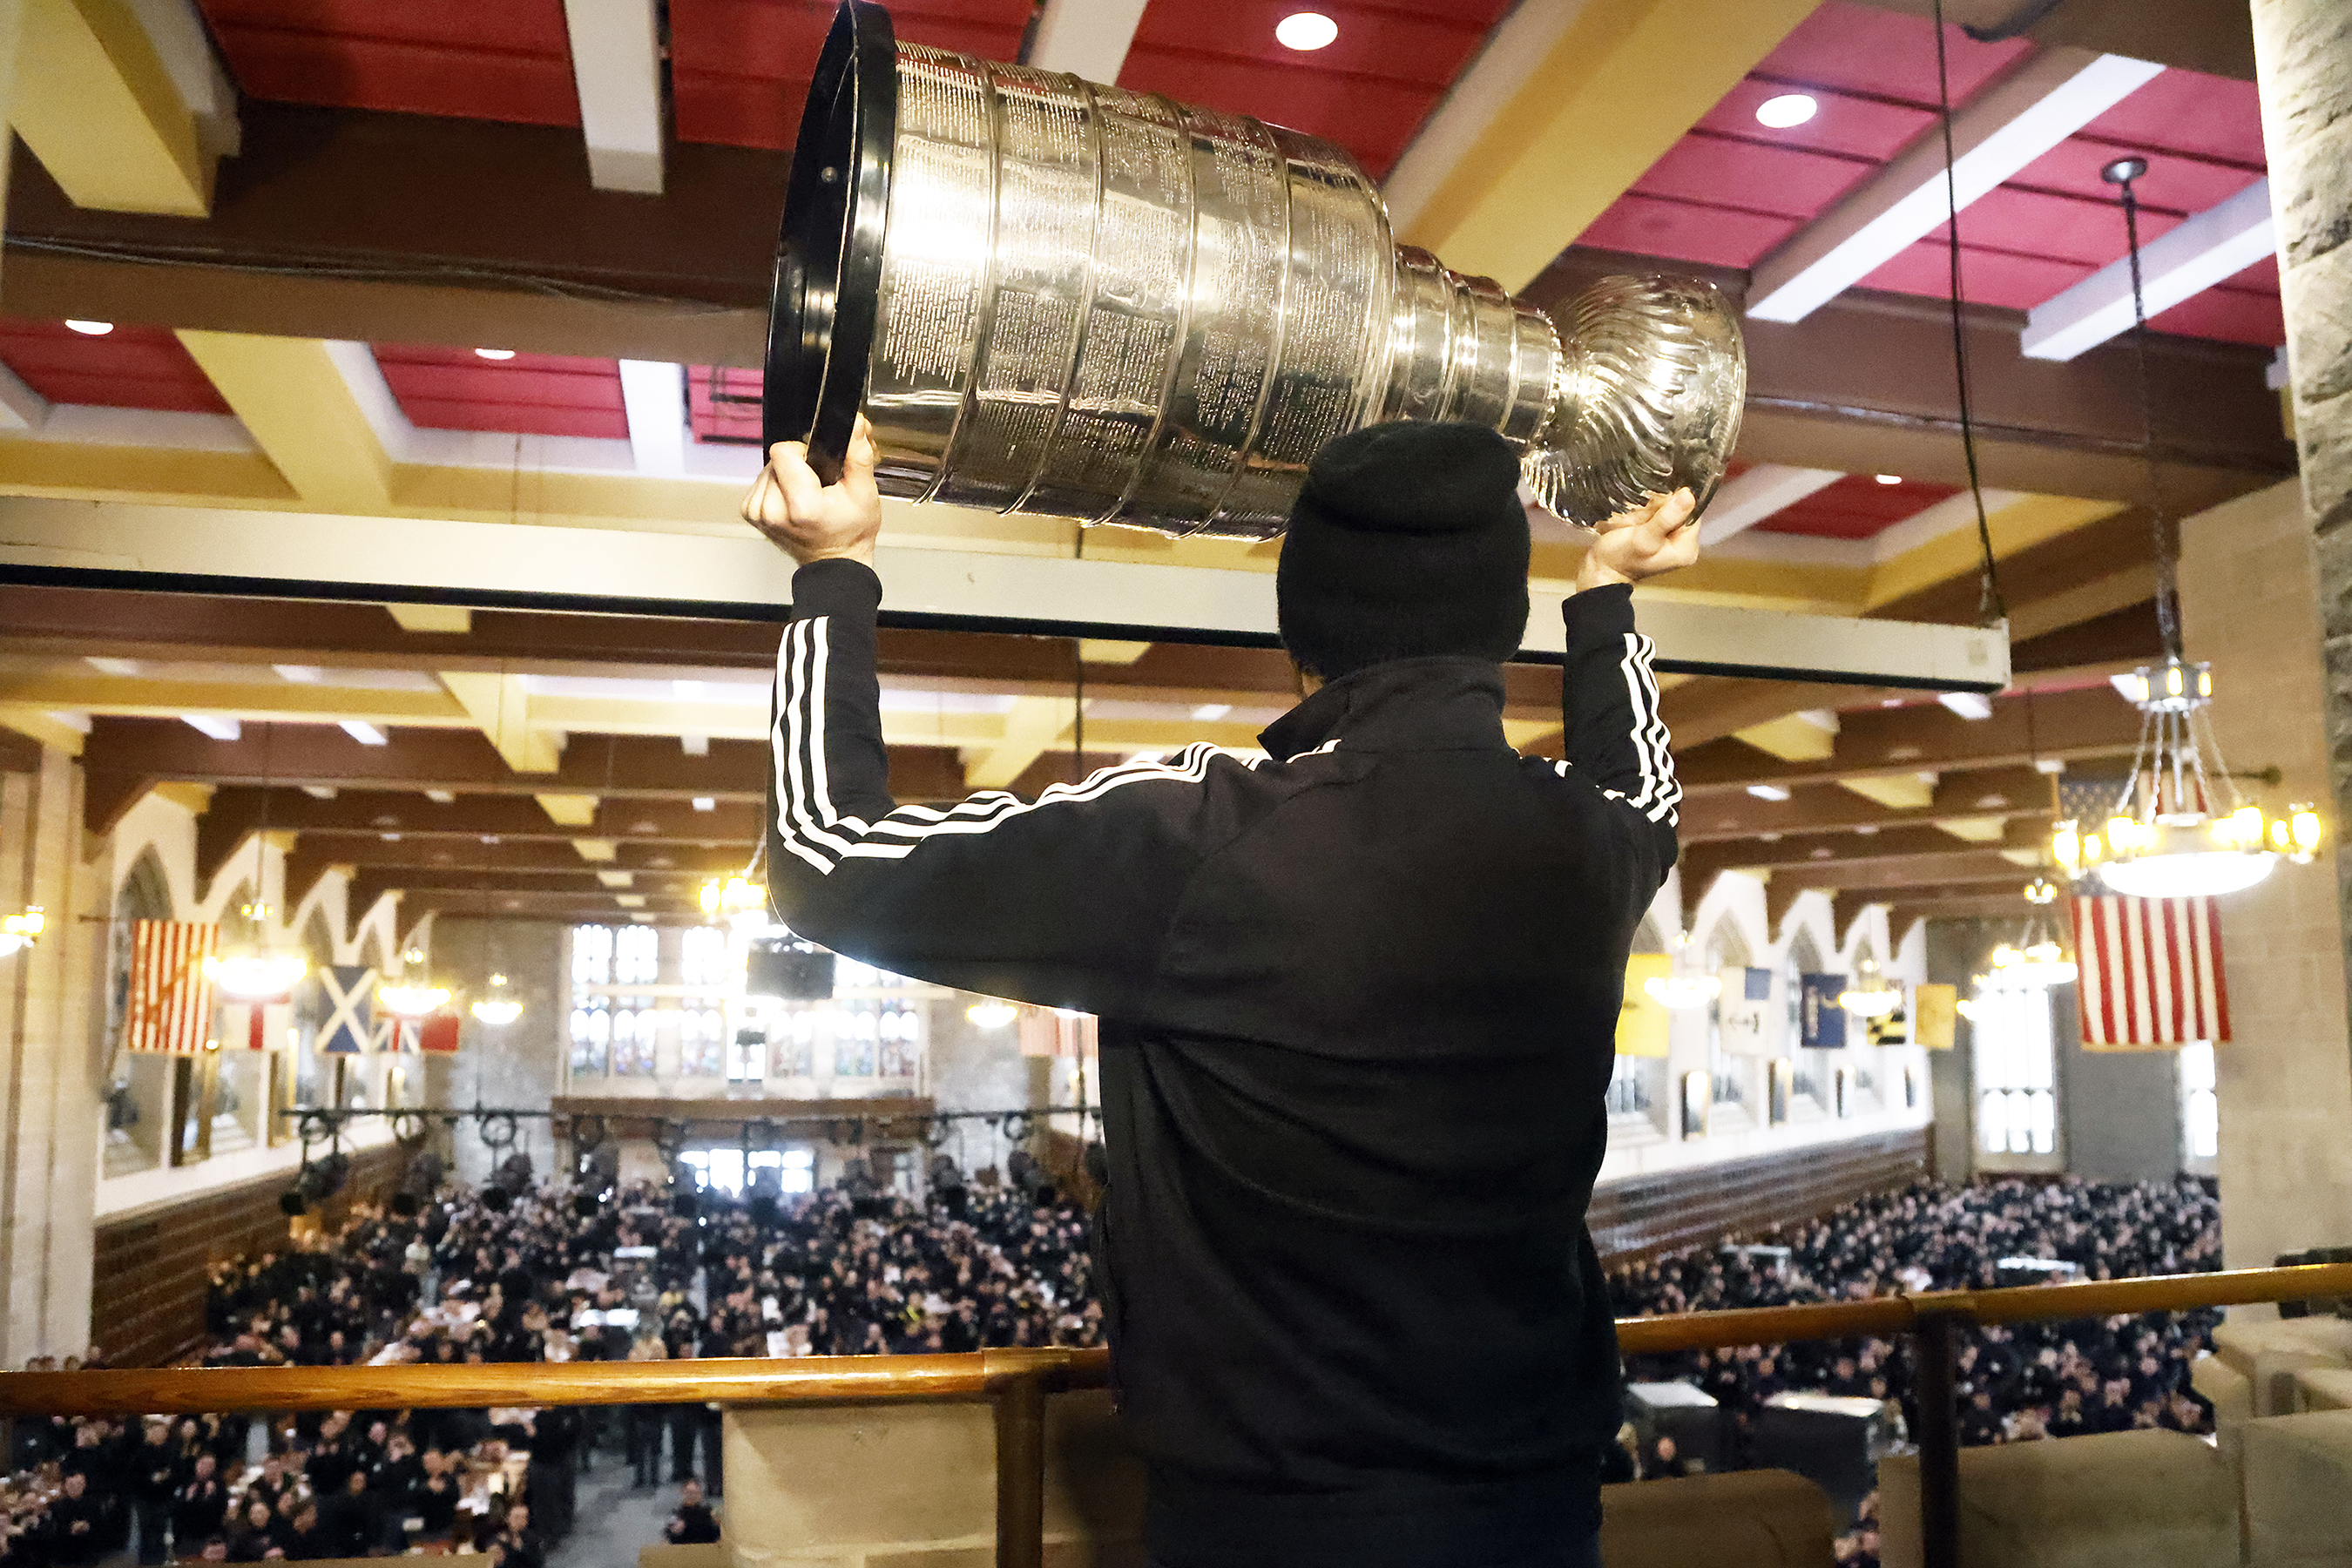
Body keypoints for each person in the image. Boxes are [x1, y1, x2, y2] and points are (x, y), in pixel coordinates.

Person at [743, 417, 1700, 1568]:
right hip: (1542, 1515)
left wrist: (831, 571)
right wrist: (1607, 598)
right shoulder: (1588, 847)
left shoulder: (1200, 840)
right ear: (1497, 628)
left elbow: (823, 853)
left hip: (1266, 1525)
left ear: (1305, 636)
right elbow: (1643, 789)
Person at [664, 1479, 720, 1546]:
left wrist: (717, 1525)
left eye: (695, 1493)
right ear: (683, 1493)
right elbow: (669, 1538)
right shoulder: (677, 1514)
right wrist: (676, 1532)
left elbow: (715, 1536)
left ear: (700, 1495)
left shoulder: (708, 1513)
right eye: (688, 1493)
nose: (691, 1496)